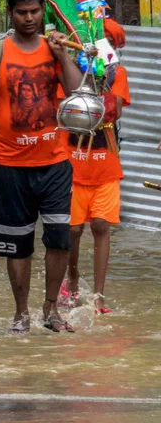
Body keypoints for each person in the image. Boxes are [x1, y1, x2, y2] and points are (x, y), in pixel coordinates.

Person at [0, 0, 82, 334]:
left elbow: (75, 93)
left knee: (60, 238)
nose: (29, 18)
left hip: (55, 161)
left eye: (35, 11)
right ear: (11, 14)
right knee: (17, 245)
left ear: (43, 11)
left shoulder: (56, 48)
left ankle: (51, 309)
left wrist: (62, 55)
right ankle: (21, 313)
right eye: (22, 12)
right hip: (9, 166)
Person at [62, 18, 130, 315]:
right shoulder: (72, 74)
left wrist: (102, 77)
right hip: (72, 165)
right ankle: (72, 277)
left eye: (108, 45)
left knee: (102, 226)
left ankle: (99, 295)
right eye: (97, 43)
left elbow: (112, 109)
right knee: (73, 230)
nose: (101, 50)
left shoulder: (120, 74)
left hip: (106, 166)